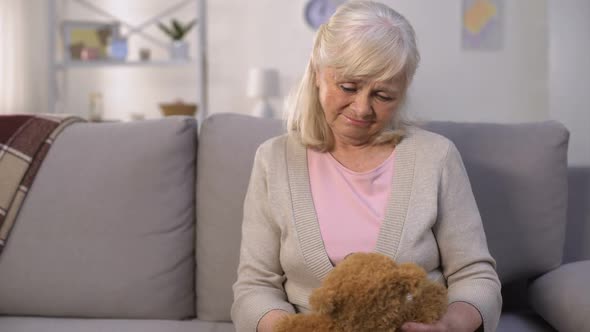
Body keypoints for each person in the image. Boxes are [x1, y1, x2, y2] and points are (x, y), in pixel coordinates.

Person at [231, 1, 502, 331]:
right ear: (318, 73)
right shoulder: (272, 160)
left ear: (402, 93)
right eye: (348, 87)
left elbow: (475, 275)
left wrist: (448, 326)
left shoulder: (437, 157)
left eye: (383, 95)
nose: (361, 108)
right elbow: (254, 288)